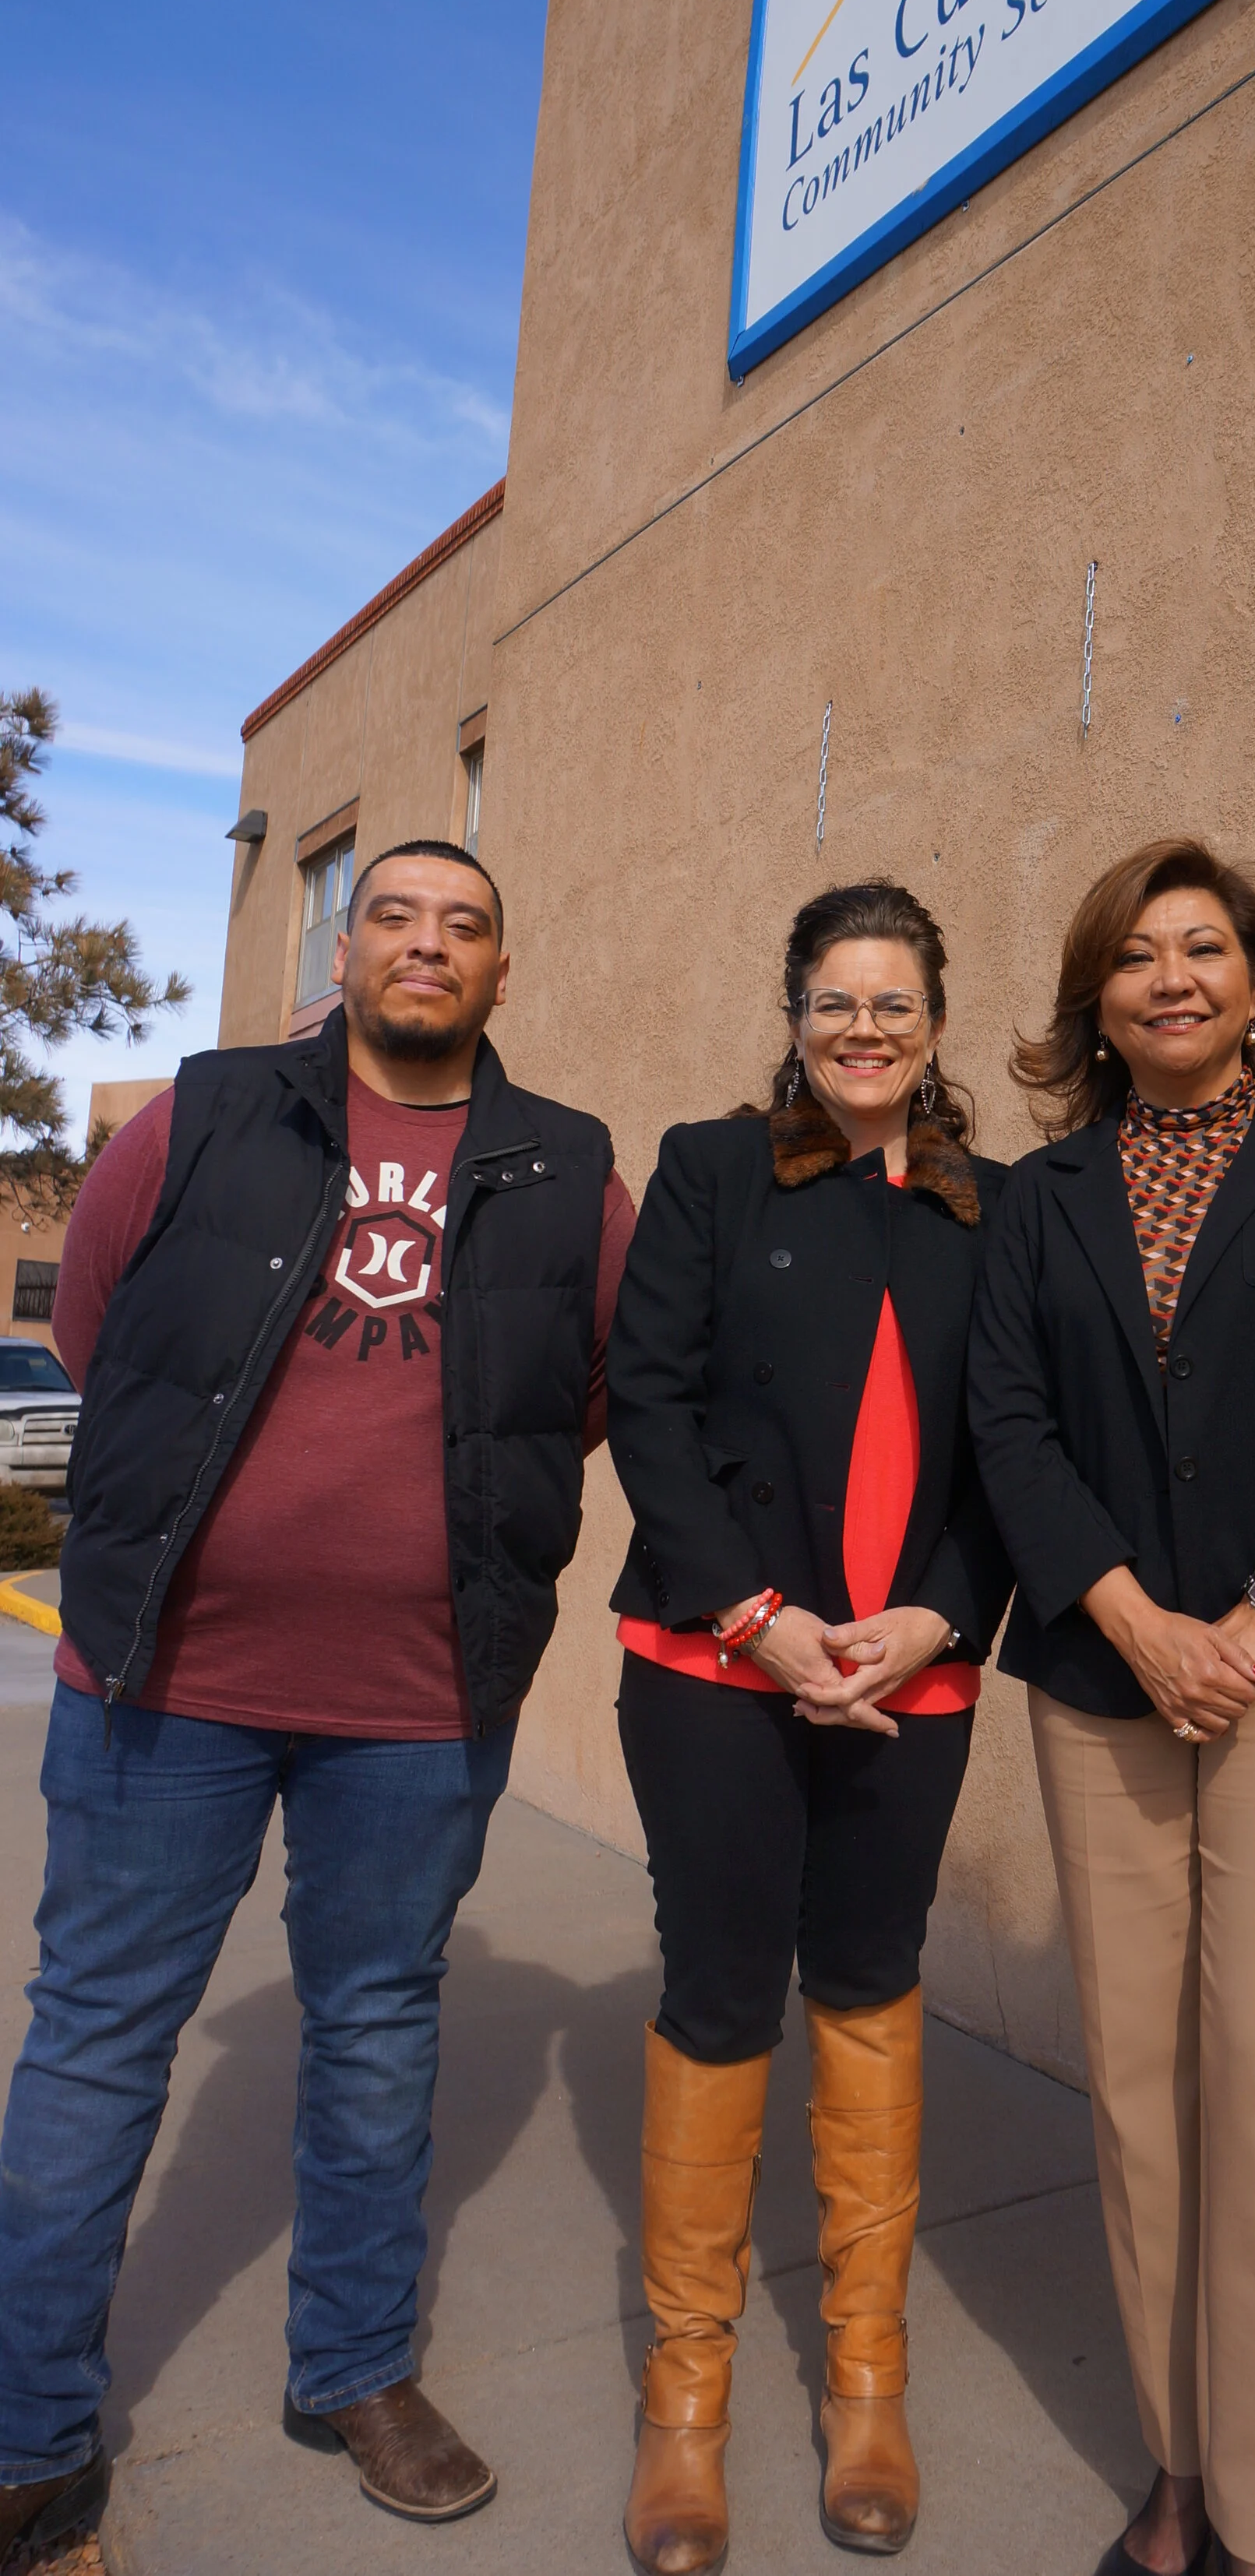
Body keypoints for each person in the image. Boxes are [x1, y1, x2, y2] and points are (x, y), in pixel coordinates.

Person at [0, 839, 635, 2557]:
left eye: (465, 924)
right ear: (343, 952)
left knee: (376, 2029)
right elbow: (98, 1331)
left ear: (501, 968)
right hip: (168, 1676)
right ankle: (27, 2427)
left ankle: (352, 2368)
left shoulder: (570, 1168)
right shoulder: (205, 1115)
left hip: (421, 1698)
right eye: (396, 916)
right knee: (97, 2039)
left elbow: (573, 1397)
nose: (428, 943)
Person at [968, 839, 1255, 2576]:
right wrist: (1135, 1619)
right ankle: (1178, 2464)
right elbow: (1008, 1423)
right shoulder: (1039, 1198)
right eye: (1138, 954)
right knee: (1142, 2088)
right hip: (1105, 1681)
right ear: (1097, 999)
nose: (1172, 977)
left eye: (1204, 948)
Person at [603, 879, 1011, 2576]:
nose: (864, 1028)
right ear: (793, 1017)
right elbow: (647, 1400)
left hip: (911, 1674)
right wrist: (756, 1616)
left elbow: (1015, 1443)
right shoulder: (710, 1170)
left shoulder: (992, 1208)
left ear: (935, 1025)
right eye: (835, 1000)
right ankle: (685, 2400)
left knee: (865, 1978)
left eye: (893, 1002)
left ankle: (865, 2379)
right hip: (719, 1662)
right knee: (717, 1990)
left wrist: (939, 1615)